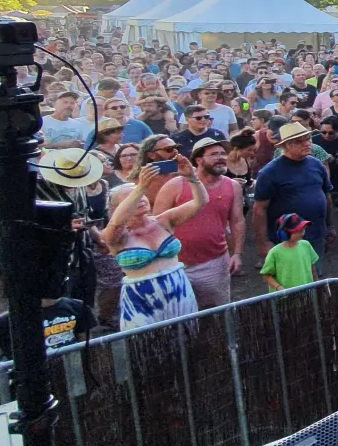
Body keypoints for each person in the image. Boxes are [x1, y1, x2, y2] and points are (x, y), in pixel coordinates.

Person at [103, 159, 207, 330]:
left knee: (187, 340)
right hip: (140, 298)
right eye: (131, 197)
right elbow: (116, 223)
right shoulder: (116, 236)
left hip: (179, 289)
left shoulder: (163, 221)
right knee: (147, 347)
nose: (141, 199)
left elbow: (200, 202)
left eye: (142, 195)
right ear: (117, 208)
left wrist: (192, 178)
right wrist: (140, 187)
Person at [153, 138, 246, 309]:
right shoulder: (176, 184)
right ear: (198, 160)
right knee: (178, 313)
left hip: (214, 262)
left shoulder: (233, 186)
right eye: (214, 154)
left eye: (223, 154)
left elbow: (237, 220)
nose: (221, 157)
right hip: (176, 264)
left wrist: (237, 253)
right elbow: (157, 223)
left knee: (216, 313)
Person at [252, 122, 332, 263]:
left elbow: (326, 195)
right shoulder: (269, 172)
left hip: (316, 235)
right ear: (286, 145)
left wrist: (330, 225)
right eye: (299, 141)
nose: (307, 143)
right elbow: (259, 209)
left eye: (308, 138)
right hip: (285, 240)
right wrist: (263, 243)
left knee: (315, 275)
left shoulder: (316, 164)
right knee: (291, 279)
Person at [312, 117, 338, 241]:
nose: (326, 135)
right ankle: (325, 239)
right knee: (322, 214)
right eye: (323, 132)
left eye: (331, 133)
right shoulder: (314, 141)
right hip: (321, 186)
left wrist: (335, 160)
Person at [261, 213, 318, 291]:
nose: (302, 232)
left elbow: (313, 267)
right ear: (284, 234)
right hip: (285, 298)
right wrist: (279, 287)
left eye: (303, 229)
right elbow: (266, 276)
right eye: (298, 230)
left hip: (307, 293)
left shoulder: (306, 245)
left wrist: (317, 284)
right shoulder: (274, 253)